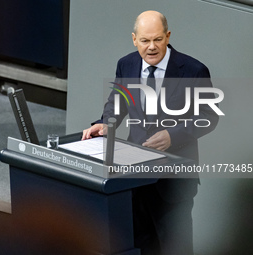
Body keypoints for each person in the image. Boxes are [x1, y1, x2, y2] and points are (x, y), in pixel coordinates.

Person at [82, 10, 219, 255]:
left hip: (173, 183)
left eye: (157, 39)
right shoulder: (127, 64)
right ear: (135, 39)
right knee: (138, 246)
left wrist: (173, 136)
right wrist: (106, 123)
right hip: (133, 177)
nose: (152, 47)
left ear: (167, 36)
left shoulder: (194, 70)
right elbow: (118, 102)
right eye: (145, 41)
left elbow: (209, 117)